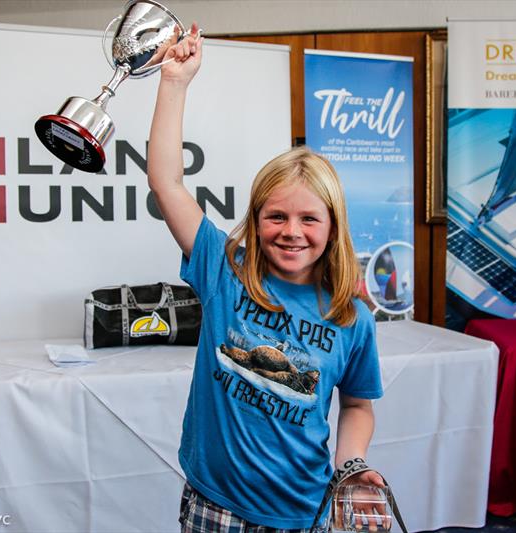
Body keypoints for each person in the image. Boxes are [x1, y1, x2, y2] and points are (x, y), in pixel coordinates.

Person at [148, 25, 384, 532]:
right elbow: (166, 182)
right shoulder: (224, 270)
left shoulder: (351, 317)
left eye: (309, 219)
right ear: (255, 220)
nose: (291, 232)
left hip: (305, 512)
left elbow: (358, 405)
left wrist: (352, 466)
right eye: (276, 216)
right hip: (216, 505)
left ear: (333, 226)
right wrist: (174, 83)